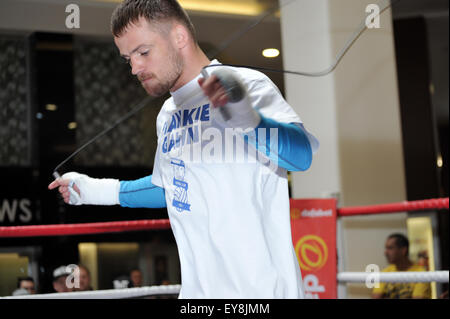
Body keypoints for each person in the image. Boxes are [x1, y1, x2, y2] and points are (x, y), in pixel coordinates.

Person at [48, 0, 318, 298]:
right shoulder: (167, 114)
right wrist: (95, 190)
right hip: (199, 294)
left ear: (179, 37)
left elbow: (301, 156)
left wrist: (250, 121)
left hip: (261, 292)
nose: (136, 67)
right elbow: (174, 187)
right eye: (128, 59)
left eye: (143, 52)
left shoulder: (247, 85)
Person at [372, 233, 431, 299]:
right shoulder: (385, 272)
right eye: (386, 248)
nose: (386, 252)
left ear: (403, 250)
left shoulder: (421, 273)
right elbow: (376, 297)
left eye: (390, 248)